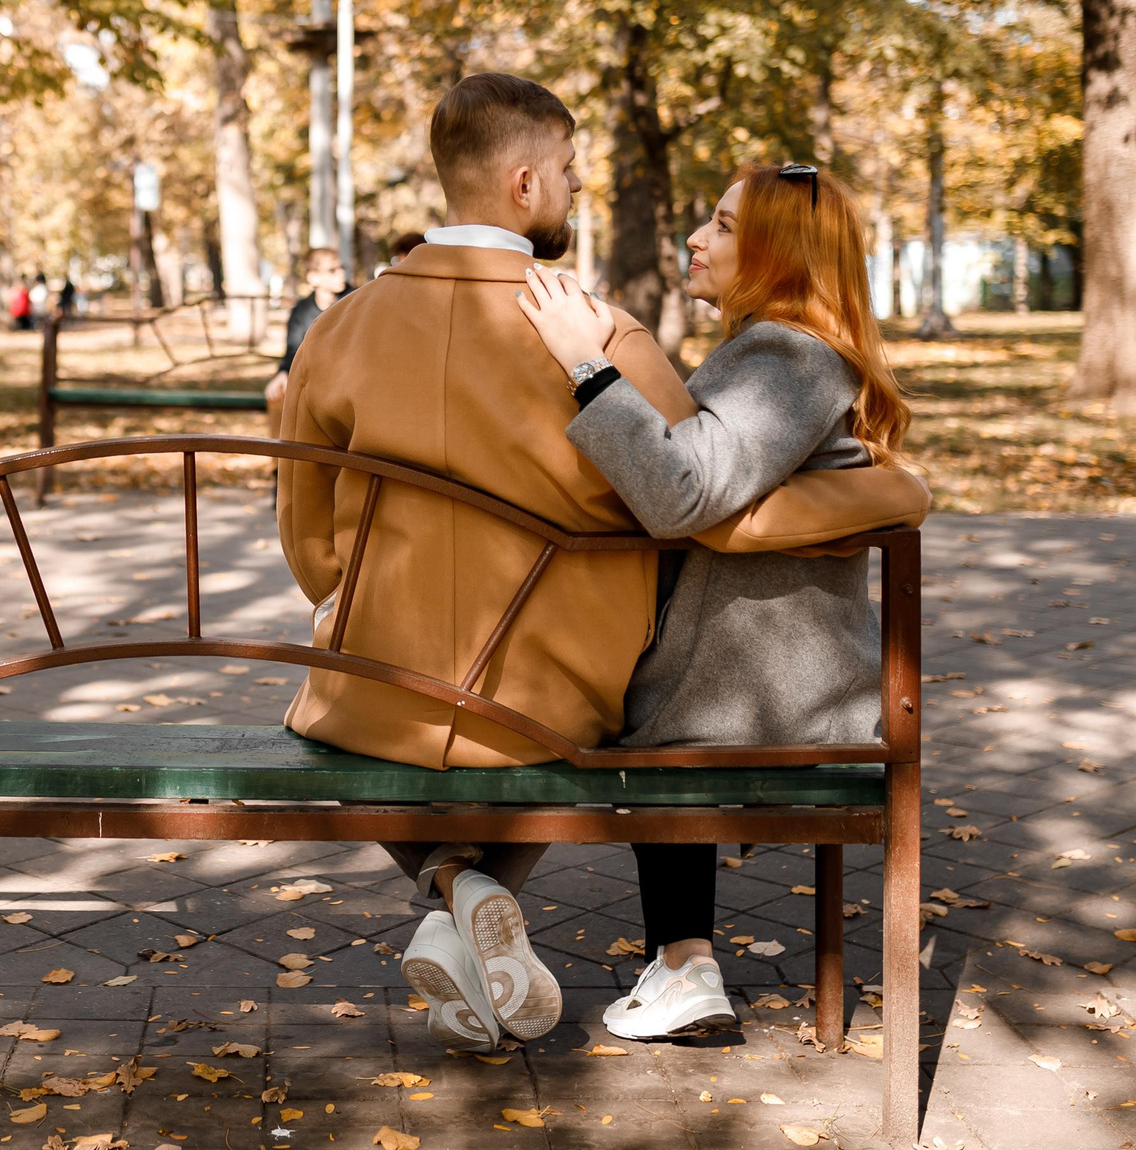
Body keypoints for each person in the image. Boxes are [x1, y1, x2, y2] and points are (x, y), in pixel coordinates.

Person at [277, 78, 928, 1051]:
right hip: (558, 689)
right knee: (604, 713)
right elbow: (679, 508)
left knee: (333, 719)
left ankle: (458, 887)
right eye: (572, 171)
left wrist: (347, 599)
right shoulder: (605, 333)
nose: (580, 187)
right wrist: (891, 491)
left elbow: (306, 532)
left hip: (376, 679)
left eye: (719, 224)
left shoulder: (339, 325)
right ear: (525, 183)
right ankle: (477, 894)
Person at [517, 161, 913, 1042]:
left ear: (781, 251)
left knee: (544, 705)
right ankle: (669, 961)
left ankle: (467, 901)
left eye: (725, 226)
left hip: (761, 696)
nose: (697, 237)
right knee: (573, 693)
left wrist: (584, 360)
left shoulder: (789, 355)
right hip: (752, 680)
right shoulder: (781, 350)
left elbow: (681, 493)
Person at [262, 247, 350, 429]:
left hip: (348, 379)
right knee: (278, 396)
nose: (341, 274)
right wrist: (283, 373)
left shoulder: (355, 301)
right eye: (332, 270)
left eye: (341, 268)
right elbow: (293, 350)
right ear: (313, 277)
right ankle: (283, 448)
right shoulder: (301, 311)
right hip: (314, 381)